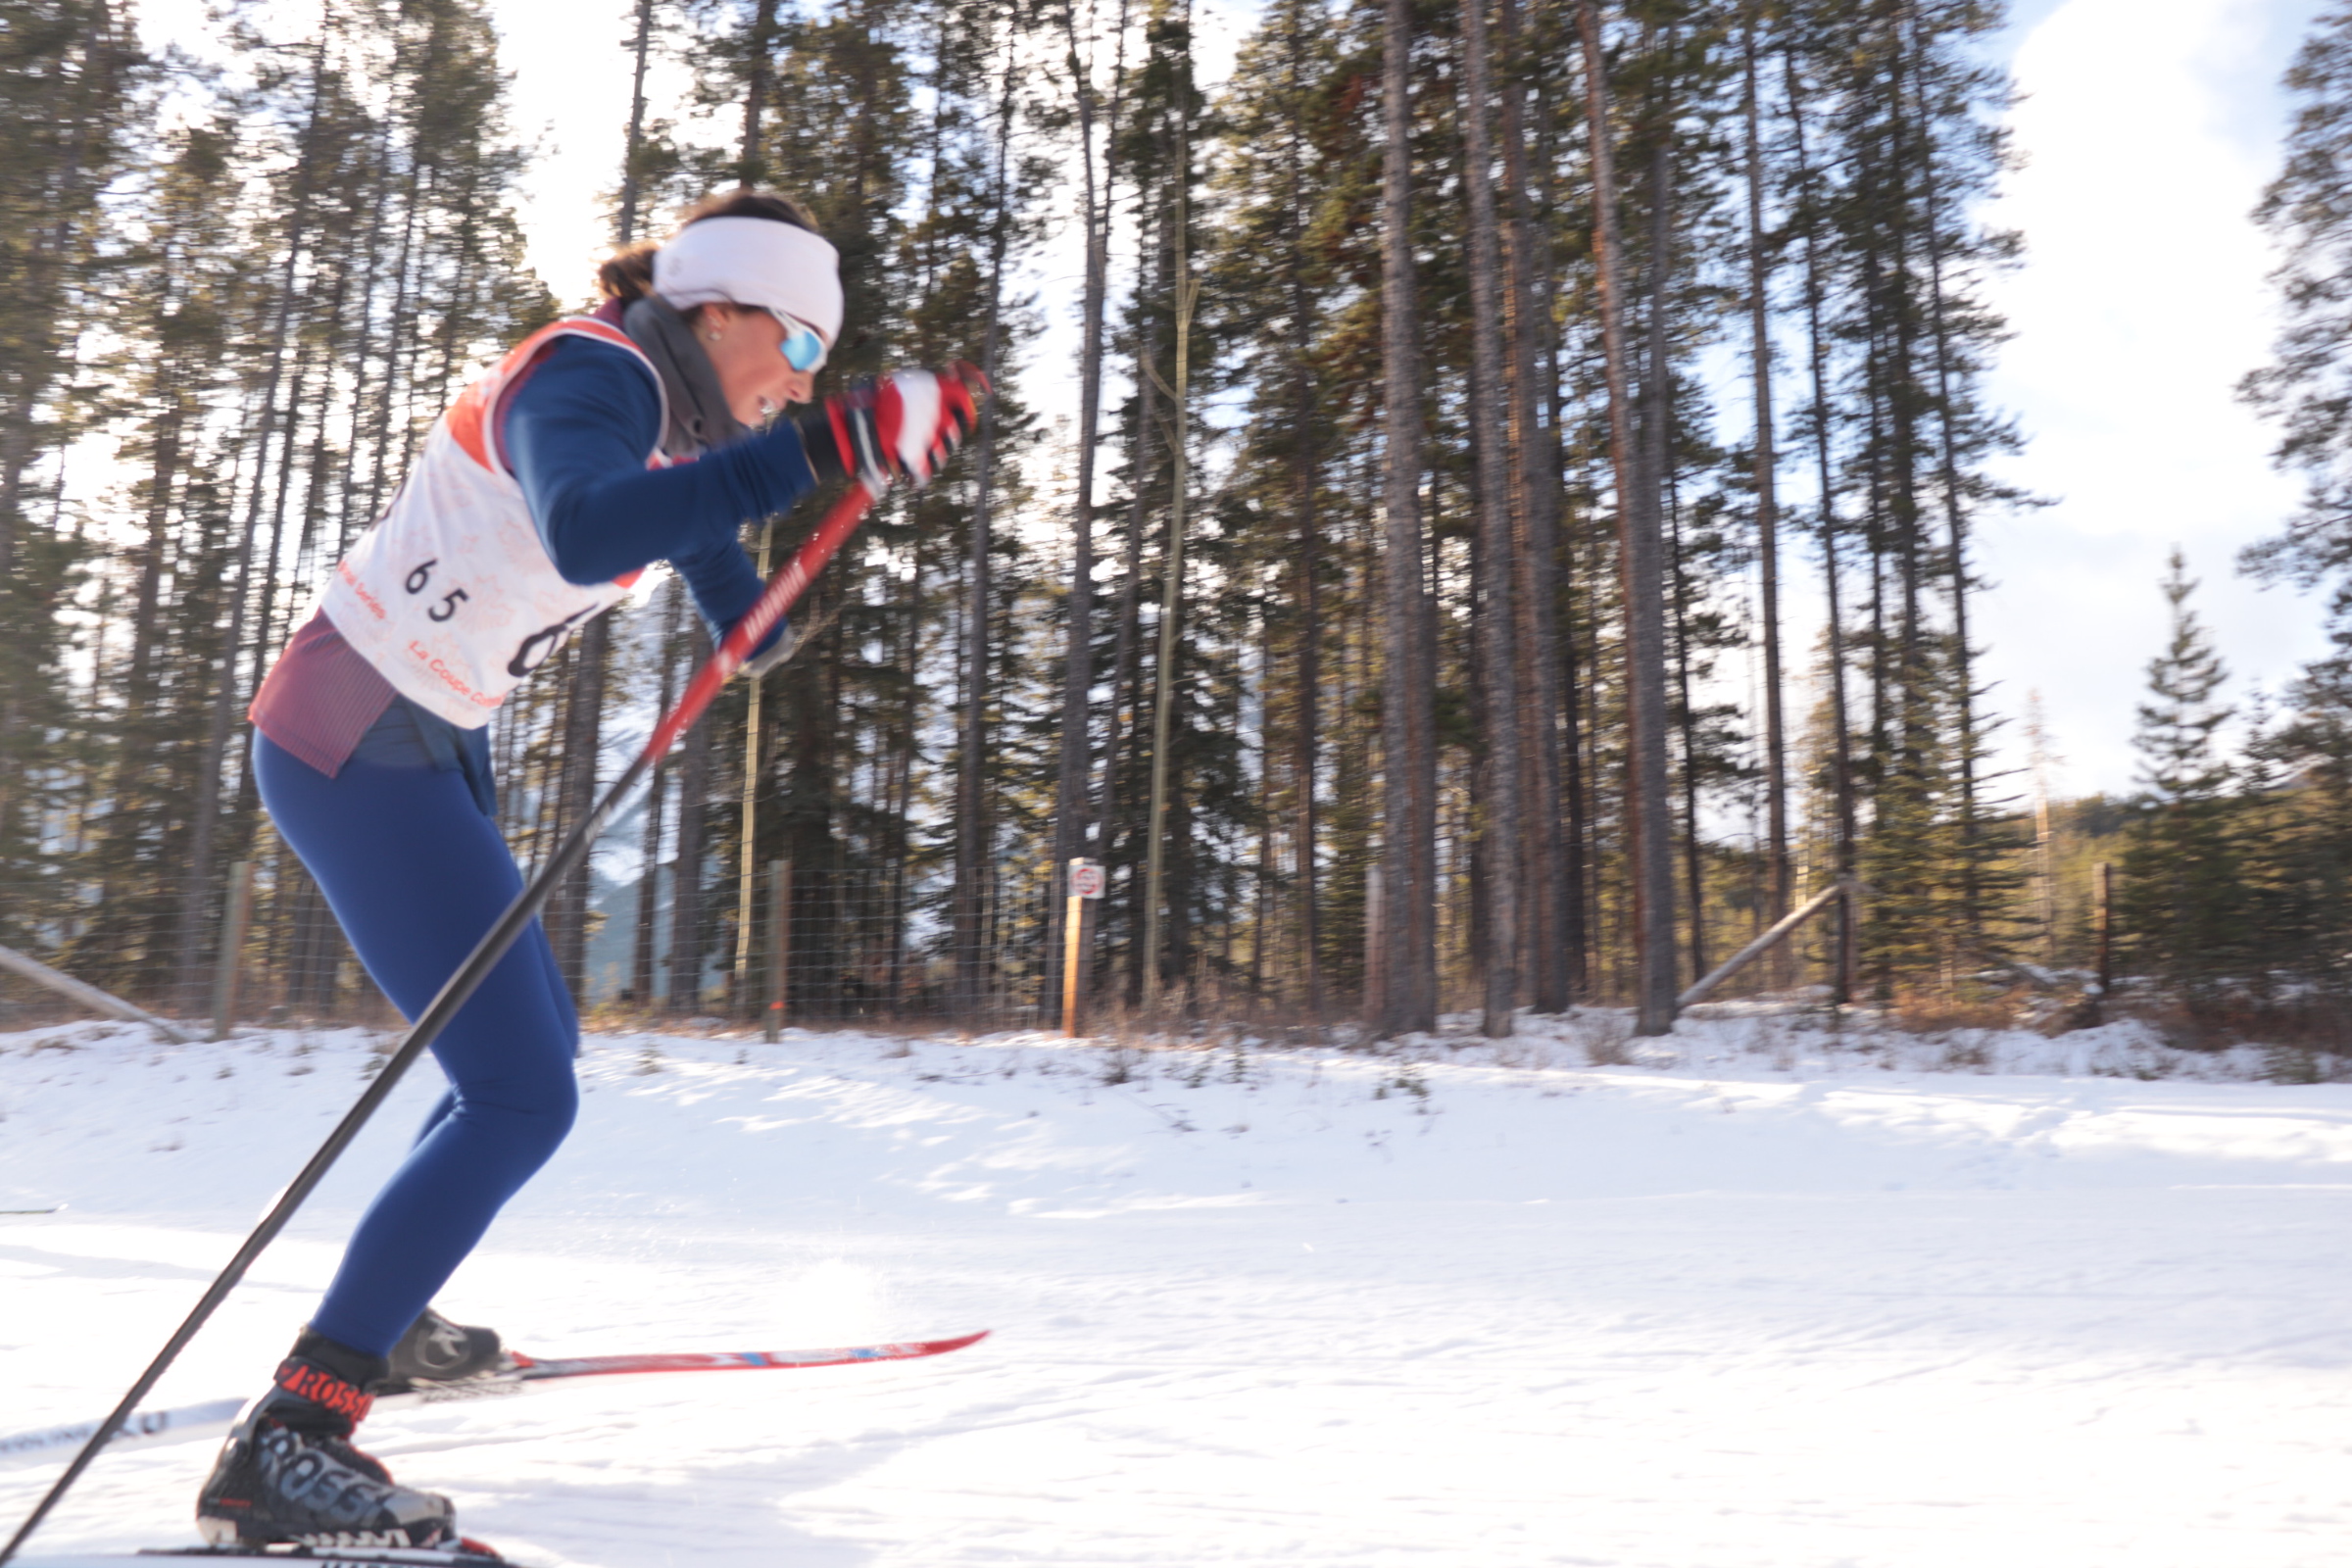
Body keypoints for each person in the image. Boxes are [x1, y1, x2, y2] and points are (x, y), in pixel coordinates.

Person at [194, 189, 982, 1550]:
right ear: (721, 306)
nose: (799, 378)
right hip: (352, 731)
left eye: (820, 365)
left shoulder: (660, 402)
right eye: (795, 347)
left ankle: (386, 1317)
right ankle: (290, 1438)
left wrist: (751, 610)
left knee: (523, 1057)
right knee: (520, 1093)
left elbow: (690, 532)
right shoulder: (587, 372)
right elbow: (588, 526)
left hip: (424, 732)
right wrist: (828, 442)